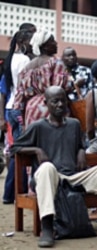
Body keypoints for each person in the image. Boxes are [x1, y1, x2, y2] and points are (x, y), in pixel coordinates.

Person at [10, 86, 97, 248]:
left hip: (73, 177)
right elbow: (14, 148)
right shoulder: (38, 127)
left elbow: (79, 145)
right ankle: (48, 227)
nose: (59, 104)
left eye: (63, 100)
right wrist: (37, 150)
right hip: (51, 178)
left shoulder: (74, 124)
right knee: (47, 168)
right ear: (46, 103)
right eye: (54, 101)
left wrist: (80, 151)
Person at [1, 23, 36, 204]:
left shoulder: (10, 60)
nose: (33, 44)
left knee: (17, 151)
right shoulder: (24, 60)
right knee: (22, 152)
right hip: (20, 108)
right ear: (23, 42)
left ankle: (10, 193)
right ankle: (17, 192)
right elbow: (27, 87)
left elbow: (8, 88)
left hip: (10, 108)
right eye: (31, 40)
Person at [12, 28, 70, 129]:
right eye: (52, 41)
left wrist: (22, 118)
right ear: (45, 46)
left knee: (34, 142)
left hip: (31, 110)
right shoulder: (56, 63)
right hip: (51, 110)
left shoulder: (27, 67)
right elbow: (59, 89)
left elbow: (20, 94)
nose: (56, 43)